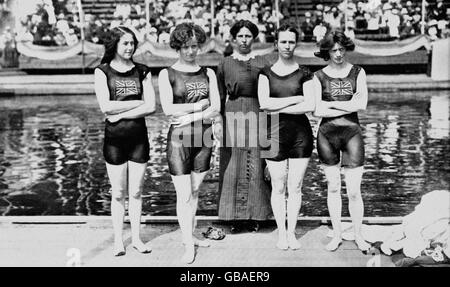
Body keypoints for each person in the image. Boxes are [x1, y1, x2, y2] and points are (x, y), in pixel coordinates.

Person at [158, 22, 221, 264]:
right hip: (179, 140)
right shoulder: (167, 74)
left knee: (194, 191)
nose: (191, 51)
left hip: (204, 137)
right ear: (177, 46)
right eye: (186, 47)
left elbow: (216, 107)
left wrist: (189, 116)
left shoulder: (209, 73)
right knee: (183, 194)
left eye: (195, 46)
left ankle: (191, 234)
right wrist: (199, 105)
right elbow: (168, 109)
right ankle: (187, 245)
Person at [94, 26, 156, 256]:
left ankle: (137, 239)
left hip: (138, 139)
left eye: (132, 43)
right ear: (114, 46)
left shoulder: (142, 70)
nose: (130, 48)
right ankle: (119, 240)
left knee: (137, 192)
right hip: (114, 141)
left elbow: (151, 106)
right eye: (125, 43)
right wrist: (136, 102)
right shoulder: (102, 71)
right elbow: (105, 106)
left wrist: (119, 113)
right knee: (118, 193)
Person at [257, 24, 315, 250]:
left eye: (291, 42)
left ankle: (292, 232)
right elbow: (264, 104)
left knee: (296, 185)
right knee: (278, 186)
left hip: (300, 135)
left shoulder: (305, 72)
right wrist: (295, 100)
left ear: (296, 44)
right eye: (283, 42)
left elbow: (310, 105)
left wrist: (278, 106)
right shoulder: (265, 73)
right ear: (276, 44)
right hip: (272, 135)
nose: (287, 46)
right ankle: (281, 232)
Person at [312, 31, 371, 252]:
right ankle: (337, 234)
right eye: (333, 50)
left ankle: (358, 235)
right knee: (334, 187)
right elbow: (316, 109)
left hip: (351, 134)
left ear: (346, 48)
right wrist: (348, 104)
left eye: (341, 49)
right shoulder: (318, 76)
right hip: (327, 135)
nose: (338, 54)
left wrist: (331, 106)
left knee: (354, 190)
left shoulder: (358, 72)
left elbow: (362, 104)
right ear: (327, 51)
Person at [216, 19, 272, 233]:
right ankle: (233, 217)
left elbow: (270, 91)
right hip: (232, 113)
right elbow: (220, 95)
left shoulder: (263, 62)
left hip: (257, 110)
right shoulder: (225, 63)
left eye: (248, 36)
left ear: (254, 38)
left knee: (256, 161)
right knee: (233, 164)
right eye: (240, 36)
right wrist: (218, 121)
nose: (244, 40)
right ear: (233, 38)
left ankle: (257, 215)